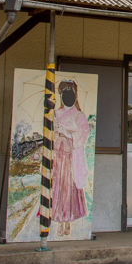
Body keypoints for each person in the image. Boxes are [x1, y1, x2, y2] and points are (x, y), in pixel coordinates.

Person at [52, 79, 90, 237]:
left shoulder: (79, 116)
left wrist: (68, 133)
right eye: (64, 92)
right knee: (58, 188)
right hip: (59, 155)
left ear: (75, 94)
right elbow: (52, 134)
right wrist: (57, 132)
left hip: (71, 157)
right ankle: (60, 221)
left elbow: (83, 136)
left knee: (68, 188)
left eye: (70, 92)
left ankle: (67, 222)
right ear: (61, 95)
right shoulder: (56, 113)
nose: (67, 95)